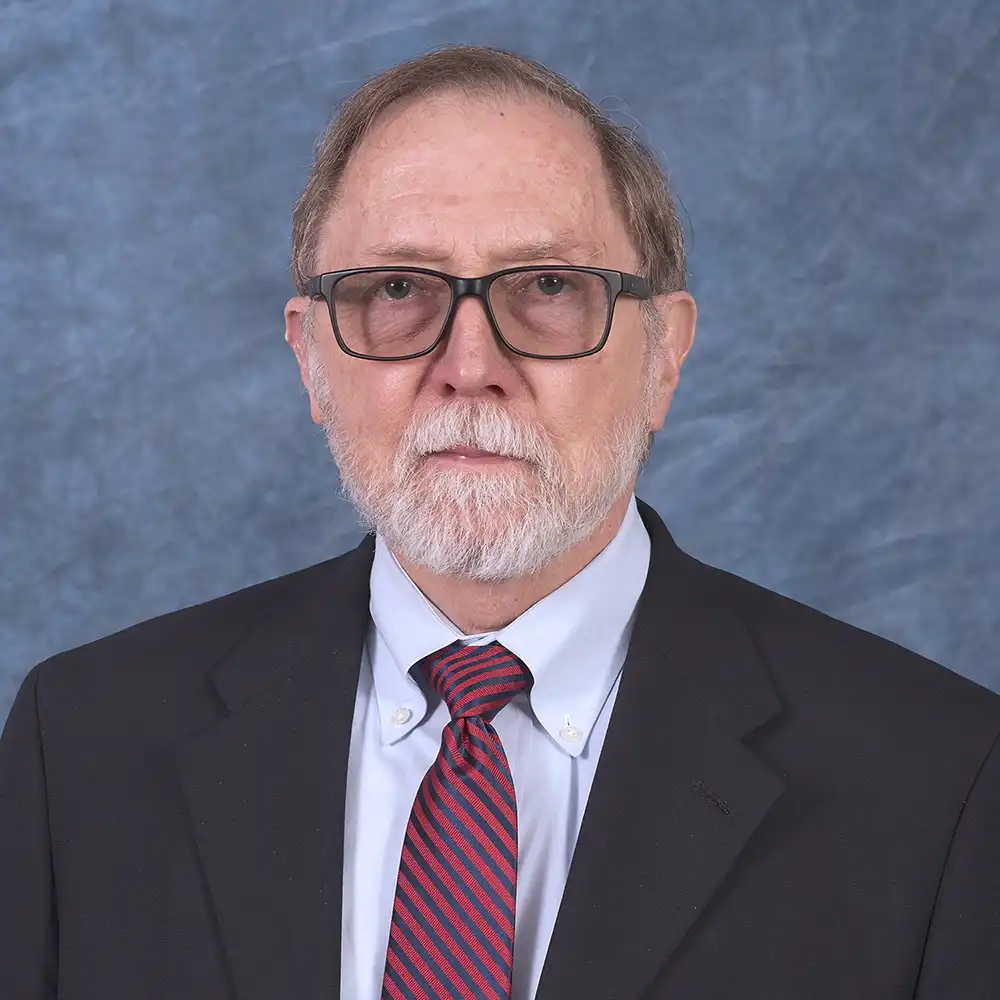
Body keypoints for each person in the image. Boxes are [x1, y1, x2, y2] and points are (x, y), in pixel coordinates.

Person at [1, 43, 998, 1000]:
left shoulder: (937, 783)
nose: (469, 363)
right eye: (396, 289)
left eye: (549, 289)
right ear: (311, 358)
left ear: (665, 356)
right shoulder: (82, 746)